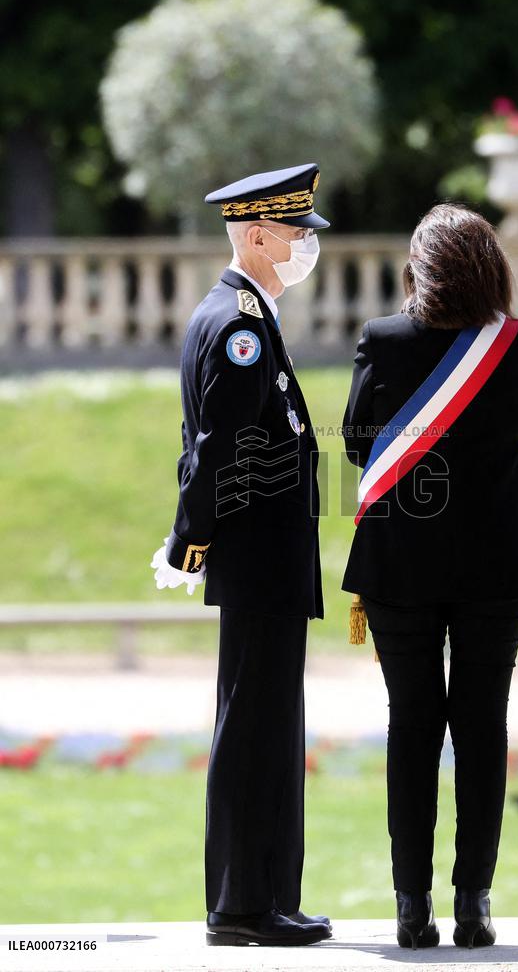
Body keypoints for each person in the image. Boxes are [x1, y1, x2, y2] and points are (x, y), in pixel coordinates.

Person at [341, 203, 518, 950]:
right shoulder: (517, 342)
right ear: (490, 268)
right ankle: (473, 904)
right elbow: (515, 429)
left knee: (411, 727)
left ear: (419, 268)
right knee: (481, 726)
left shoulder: (379, 339)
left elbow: (353, 446)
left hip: (399, 562)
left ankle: (411, 908)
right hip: (497, 562)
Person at [150, 163, 332, 947]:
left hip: (266, 563)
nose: (305, 248)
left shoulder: (244, 313)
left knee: (266, 725)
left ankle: (260, 899)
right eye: (296, 234)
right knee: (257, 730)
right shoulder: (240, 325)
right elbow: (219, 450)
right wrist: (189, 543)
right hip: (259, 561)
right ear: (257, 234)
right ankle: (244, 905)